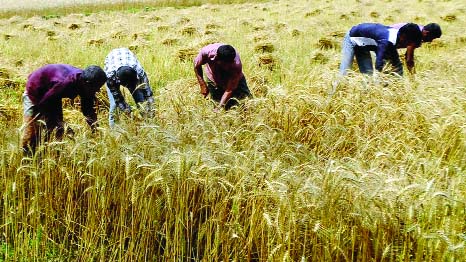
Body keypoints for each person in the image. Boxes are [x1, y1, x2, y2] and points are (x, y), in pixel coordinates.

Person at [21, 64, 107, 155]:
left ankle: (51, 155)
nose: (98, 90)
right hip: (36, 90)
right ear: (87, 83)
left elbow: (87, 109)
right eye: (97, 87)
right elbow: (44, 104)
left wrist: (96, 129)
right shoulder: (66, 83)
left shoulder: (86, 85)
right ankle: (27, 157)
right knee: (32, 131)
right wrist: (58, 122)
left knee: (59, 130)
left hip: (53, 93)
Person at [338, 23, 422, 76]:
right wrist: (380, 81)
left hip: (364, 46)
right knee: (344, 73)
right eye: (410, 43)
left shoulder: (396, 39)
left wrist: (399, 85)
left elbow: (397, 64)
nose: (409, 46)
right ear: (403, 37)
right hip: (352, 39)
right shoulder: (387, 40)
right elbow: (379, 63)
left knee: (368, 76)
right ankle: (333, 96)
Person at [104, 48, 155, 127]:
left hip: (126, 57)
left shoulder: (139, 72)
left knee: (141, 101)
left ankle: (148, 125)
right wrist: (127, 111)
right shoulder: (110, 76)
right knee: (114, 105)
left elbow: (148, 94)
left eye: (131, 84)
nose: (128, 87)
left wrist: (151, 112)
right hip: (113, 59)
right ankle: (113, 130)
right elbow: (118, 98)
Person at [194, 43, 251, 110]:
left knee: (246, 102)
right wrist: (202, 84)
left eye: (229, 64)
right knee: (216, 102)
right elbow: (196, 65)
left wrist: (220, 107)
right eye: (225, 64)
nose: (227, 67)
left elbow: (229, 89)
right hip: (213, 76)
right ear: (217, 58)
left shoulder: (236, 65)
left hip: (233, 77)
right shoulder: (206, 52)